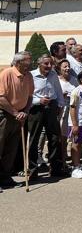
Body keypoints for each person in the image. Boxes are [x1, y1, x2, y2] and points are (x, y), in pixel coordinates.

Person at [0, 52, 34, 191]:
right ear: (18, 63)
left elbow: (30, 96)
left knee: (11, 149)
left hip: (19, 116)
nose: (29, 65)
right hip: (4, 114)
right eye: (27, 62)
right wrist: (15, 112)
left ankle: (5, 177)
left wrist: (25, 111)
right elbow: (1, 97)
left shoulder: (29, 75)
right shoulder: (6, 73)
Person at [28, 54, 65, 178]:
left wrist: (60, 104)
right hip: (37, 108)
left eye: (50, 64)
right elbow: (27, 95)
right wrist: (38, 101)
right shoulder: (31, 75)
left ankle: (55, 168)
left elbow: (58, 90)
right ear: (39, 64)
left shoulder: (53, 74)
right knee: (34, 139)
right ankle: (32, 169)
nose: (49, 66)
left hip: (52, 106)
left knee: (54, 138)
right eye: (46, 64)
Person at [57, 59, 78, 161]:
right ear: (59, 68)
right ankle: (63, 157)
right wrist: (62, 95)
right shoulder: (56, 80)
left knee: (73, 134)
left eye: (68, 66)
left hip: (74, 109)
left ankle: (74, 157)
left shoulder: (74, 80)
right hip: (62, 110)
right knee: (63, 135)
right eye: (65, 66)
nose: (67, 68)